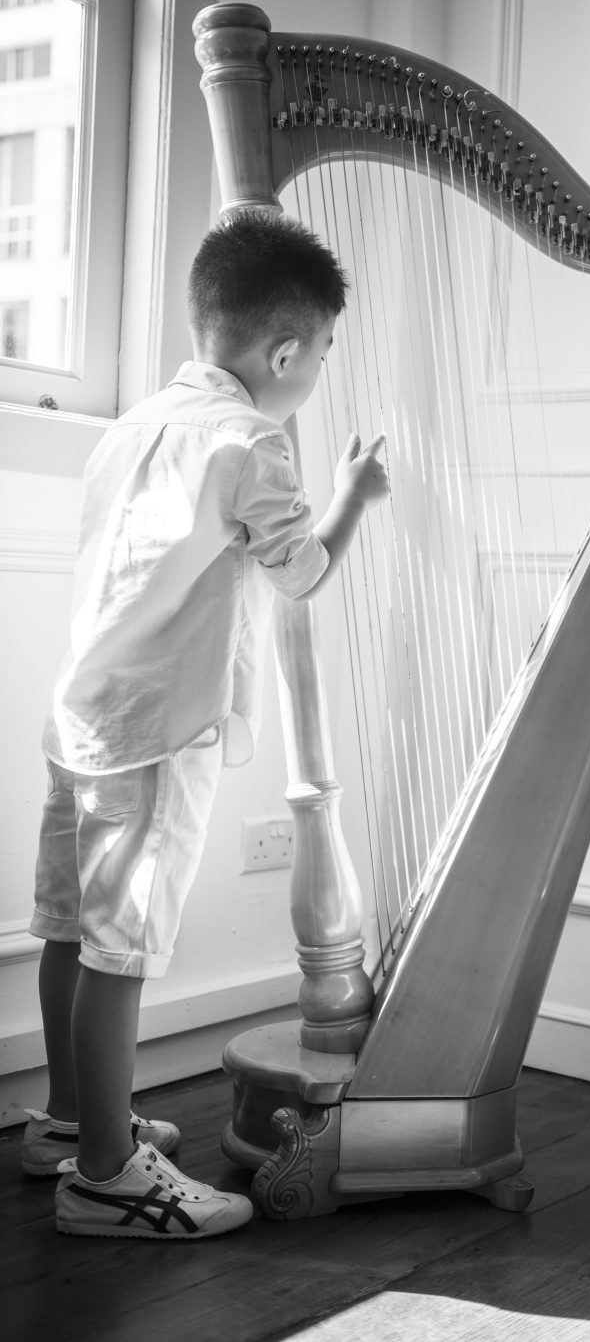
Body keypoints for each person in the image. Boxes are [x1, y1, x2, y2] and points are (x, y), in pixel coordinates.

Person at [24, 211, 389, 1239]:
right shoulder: (251, 438)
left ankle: (64, 1117)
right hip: (156, 727)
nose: (316, 370)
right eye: (319, 352)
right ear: (284, 351)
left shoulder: (134, 422)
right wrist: (353, 494)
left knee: (68, 923)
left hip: (85, 707)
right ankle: (103, 1174)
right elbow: (301, 571)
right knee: (121, 947)